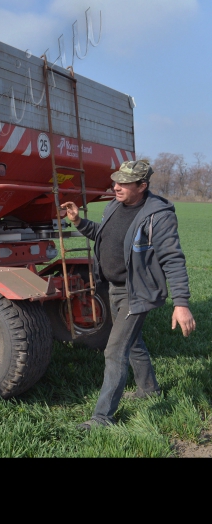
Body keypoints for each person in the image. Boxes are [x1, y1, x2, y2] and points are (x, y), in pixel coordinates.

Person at [60, 159, 196, 430]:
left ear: (142, 186)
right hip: (114, 287)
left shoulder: (159, 215)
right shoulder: (114, 206)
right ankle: (149, 390)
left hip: (138, 291)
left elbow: (173, 258)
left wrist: (181, 303)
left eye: (124, 183)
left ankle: (102, 418)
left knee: (114, 350)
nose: (116, 187)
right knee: (131, 342)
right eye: (116, 181)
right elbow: (104, 236)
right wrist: (78, 222)